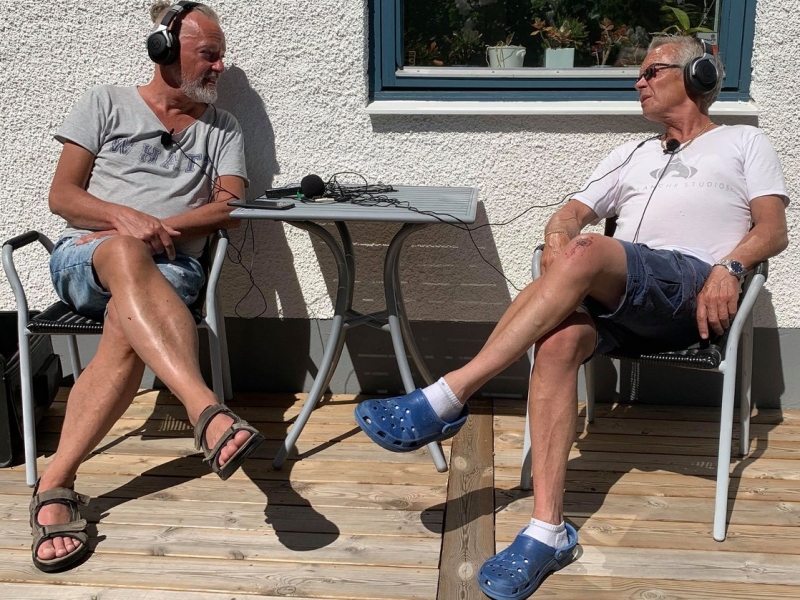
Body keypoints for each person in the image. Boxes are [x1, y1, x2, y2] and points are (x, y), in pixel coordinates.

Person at [355, 36, 789, 599]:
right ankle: (548, 530)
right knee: (559, 340)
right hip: (622, 300)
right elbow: (572, 212)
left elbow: (772, 229)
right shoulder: (632, 154)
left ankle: (448, 395)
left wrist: (731, 267)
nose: (638, 82)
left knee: (587, 251)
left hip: (689, 293)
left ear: (697, 76)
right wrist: (559, 235)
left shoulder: (744, 142)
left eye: (651, 71)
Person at [29, 1, 264, 573]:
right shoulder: (104, 103)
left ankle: (53, 484)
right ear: (164, 51)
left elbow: (230, 207)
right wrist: (123, 221)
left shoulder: (222, 129)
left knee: (124, 321)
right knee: (122, 250)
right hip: (88, 258)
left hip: (171, 268)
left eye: (221, 56)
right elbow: (63, 196)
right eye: (208, 55)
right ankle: (205, 408)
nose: (219, 66)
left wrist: (157, 228)